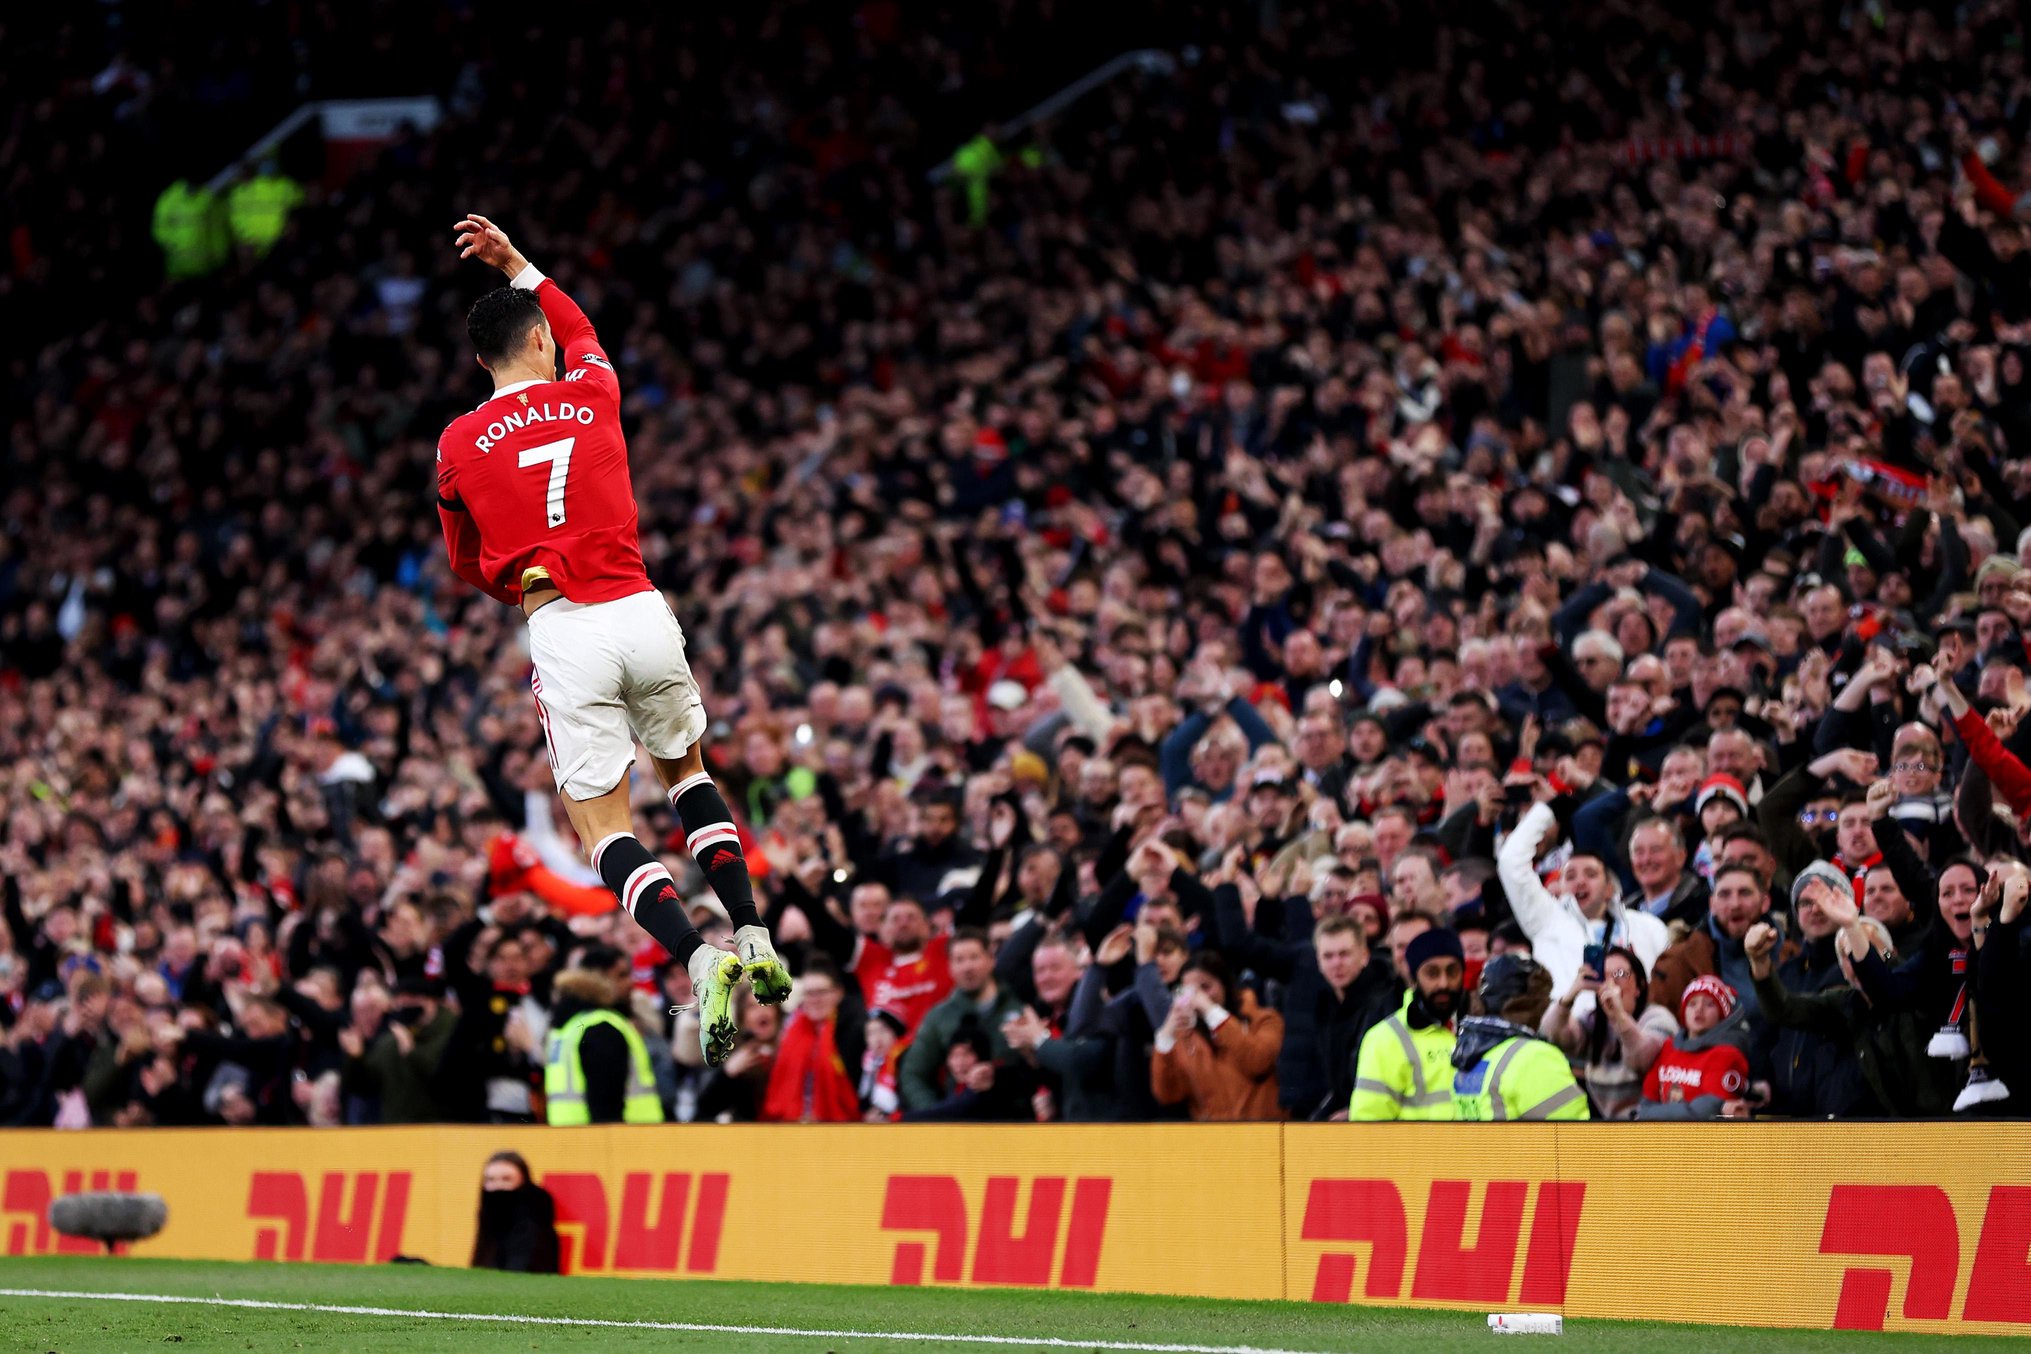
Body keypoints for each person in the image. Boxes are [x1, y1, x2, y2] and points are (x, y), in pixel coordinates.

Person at [438, 214, 786, 1065]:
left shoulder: (457, 443)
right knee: (688, 775)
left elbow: (464, 560)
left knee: (602, 830)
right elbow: (580, 323)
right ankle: (752, 930)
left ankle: (697, 955)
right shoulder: (591, 387)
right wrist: (517, 261)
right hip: (638, 606)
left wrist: (522, 586)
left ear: (482, 361)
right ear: (540, 342)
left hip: (563, 624)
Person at [1541, 946, 1676, 1120]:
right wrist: (1570, 996)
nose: (1611, 982)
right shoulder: (1595, 1021)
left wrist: (1619, 1017)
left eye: (1620, 974)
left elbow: (1643, 1060)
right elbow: (1553, 1035)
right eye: (1604, 976)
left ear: (1640, 986)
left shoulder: (1659, 1018)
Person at [1449, 954, 1590, 1121]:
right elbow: (1570, 1131)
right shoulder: (1534, 1056)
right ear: (1531, 1004)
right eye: (1545, 998)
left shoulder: (1467, 1053)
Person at [1149, 953, 1284, 1121]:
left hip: (1264, 1131)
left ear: (1225, 985)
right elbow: (1167, 1094)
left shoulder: (1265, 1020)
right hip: (1215, 1134)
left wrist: (1210, 1010)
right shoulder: (1186, 1038)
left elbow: (1258, 1062)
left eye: (1205, 987)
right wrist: (1166, 1035)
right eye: (1189, 992)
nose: (1197, 998)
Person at [1350, 928, 1464, 1121]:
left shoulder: (1478, 1029)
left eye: (1452, 972)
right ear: (1413, 978)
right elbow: (1368, 1125)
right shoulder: (1384, 1040)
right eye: (1432, 973)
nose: (1443, 983)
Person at [542, 966, 663, 1125]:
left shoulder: (564, 1032)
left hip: (569, 1133)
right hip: (627, 1133)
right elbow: (606, 1100)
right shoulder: (601, 1027)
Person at [1635, 976, 1753, 1120]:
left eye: (1709, 1004)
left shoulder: (1728, 1055)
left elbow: (1702, 1112)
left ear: (1721, 1014)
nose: (1699, 1009)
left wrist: (1647, 1115)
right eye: (1692, 1003)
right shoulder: (1668, 1047)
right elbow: (1647, 1100)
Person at [471, 1151, 560, 1274]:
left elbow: (529, 1254)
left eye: (506, 1179)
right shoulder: (488, 1209)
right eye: (490, 1180)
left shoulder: (535, 1206)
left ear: (522, 1179)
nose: (498, 1185)